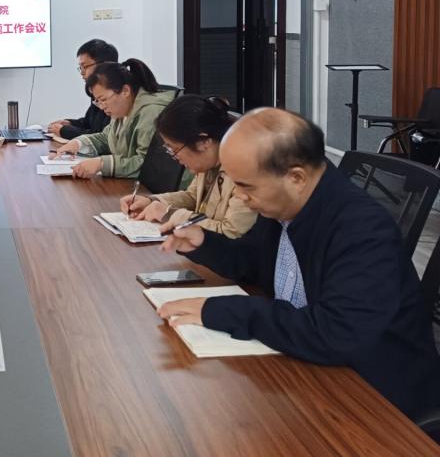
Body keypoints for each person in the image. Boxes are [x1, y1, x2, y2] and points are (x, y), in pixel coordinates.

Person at [157, 108, 440, 421]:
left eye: (246, 186)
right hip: (307, 367)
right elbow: (252, 263)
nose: (239, 195)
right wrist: (204, 244)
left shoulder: (361, 229)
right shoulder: (282, 205)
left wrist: (222, 311)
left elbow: (336, 333)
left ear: (296, 177)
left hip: (375, 398)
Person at [119, 95, 256, 239]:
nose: (174, 157)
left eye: (174, 149)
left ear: (204, 142)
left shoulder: (245, 171)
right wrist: (152, 201)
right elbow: (192, 196)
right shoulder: (208, 161)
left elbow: (230, 233)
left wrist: (169, 214)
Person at [54, 59, 175, 179]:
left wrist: (102, 164)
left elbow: (149, 165)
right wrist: (77, 143)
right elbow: (107, 137)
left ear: (125, 91)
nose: (102, 107)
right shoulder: (123, 109)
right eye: (98, 101)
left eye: (103, 99)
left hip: (159, 188)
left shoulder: (151, 112)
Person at [47, 39, 119, 140]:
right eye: (80, 68)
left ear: (103, 65)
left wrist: (65, 131)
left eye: (85, 67)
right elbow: (89, 123)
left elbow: (101, 136)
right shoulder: (95, 90)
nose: (82, 72)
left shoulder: (116, 93)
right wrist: (70, 123)